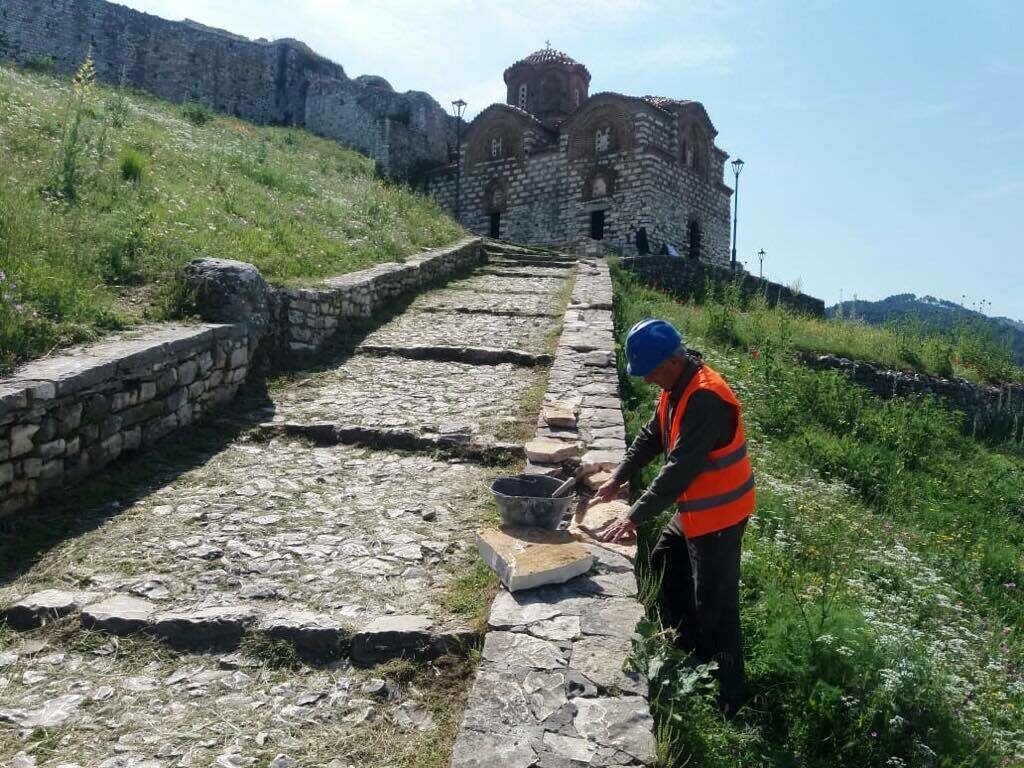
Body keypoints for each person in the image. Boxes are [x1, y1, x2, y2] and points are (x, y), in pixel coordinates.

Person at [594, 318, 755, 714]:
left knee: (716, 604)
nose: (646, 379)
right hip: (697, 509)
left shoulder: (705, 398)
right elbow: (653, 435)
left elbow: (679, 468)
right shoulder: (676, 387)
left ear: (668, 362)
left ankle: (730, 696)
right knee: (666, 557)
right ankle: (691, 647)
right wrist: (618, 477)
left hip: (720, 515)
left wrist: (633, 516)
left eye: (648, 371)